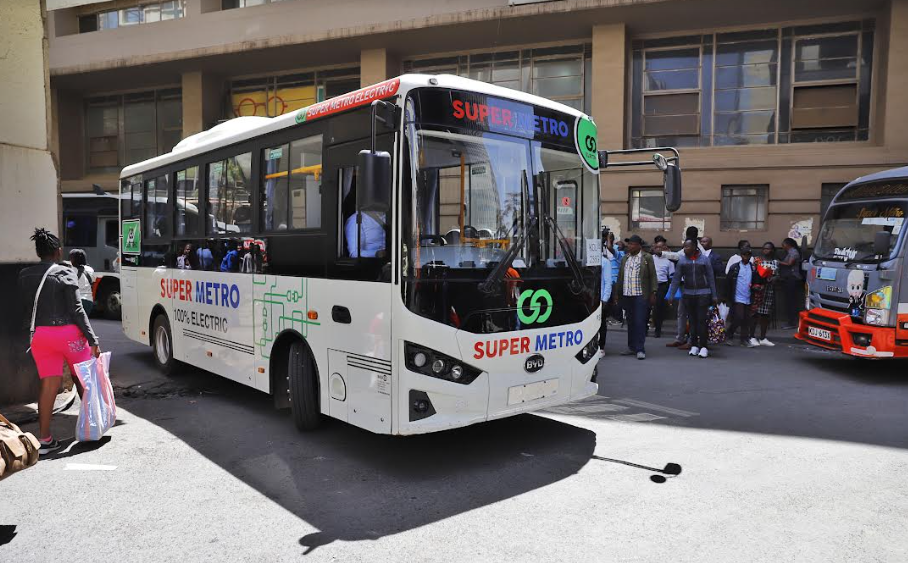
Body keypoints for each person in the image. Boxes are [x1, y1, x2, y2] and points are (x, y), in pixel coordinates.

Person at [18, 228, 101, 455]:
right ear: (58, 252)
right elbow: (76, 310)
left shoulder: (24, 275)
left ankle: (44, 439)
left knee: (49, 384)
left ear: (38, 252)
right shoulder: (66, 272)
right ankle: (91, 429)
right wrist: (92, 339)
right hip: (68, 334)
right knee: (84, 378)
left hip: (40, 337)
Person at [668, 239, 718, 358]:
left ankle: (704, 346)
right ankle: (694, 345)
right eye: (684, 247)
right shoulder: (682, 261)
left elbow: (711, 278)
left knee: (701, 320)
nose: (684, 249)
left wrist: (714, 295)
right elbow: (676, 278)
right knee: (692, 321)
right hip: (688, 294)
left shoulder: (704, 260)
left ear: (695, 247)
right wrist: (671, 295)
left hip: (703, 293)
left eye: (687, 247)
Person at [615, 234, 657, 360]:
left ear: (639, 246)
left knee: (639, 322)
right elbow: (620, 276)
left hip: (640, 295)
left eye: (632, 244)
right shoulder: (625, 258)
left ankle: (640, 349)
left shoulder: (646, 258)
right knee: (631, 322)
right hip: (627, 294)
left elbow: (653, 276)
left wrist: (653, 292)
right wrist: (617, 293)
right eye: (628, 244)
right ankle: (631, 347)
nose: (629, 246)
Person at [725, 246, 760, 347]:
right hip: (737, 297)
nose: (746, 257)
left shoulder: (753, 268)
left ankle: (744, 339)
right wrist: (726, 296)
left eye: (748, 255)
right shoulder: (735, 267)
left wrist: (755, 287)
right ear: (741, 255)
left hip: (748, 296)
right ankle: (730, 333)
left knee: (746, 319)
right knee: (739, 317)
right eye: (744, 255)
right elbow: (728, 282)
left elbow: (756, 280)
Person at [750, 242, 779, 346]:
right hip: (758, 290)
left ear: (772, 250)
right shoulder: (756, 260)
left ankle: (763, 337)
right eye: (765, 248)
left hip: (769, 290)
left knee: (765, 315)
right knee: (754, 313)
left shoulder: (775, 262)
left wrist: (774, 278)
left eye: (769, 248)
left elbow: (777, 275)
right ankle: (752, 336)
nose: (767, 250)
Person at [650, 240, 675, 338]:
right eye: (657, 247)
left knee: (658, 308)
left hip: (662, 286)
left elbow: (671, 275)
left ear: (665, 249)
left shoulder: (669, 260)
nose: (658, 249)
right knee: (647, 307)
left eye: (661, 247)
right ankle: (645, 329)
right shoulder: (650, 258)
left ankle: (658, 329)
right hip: (651, 285)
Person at [778, 237, 803, 329]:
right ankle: (791, 321)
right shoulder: (790, 252)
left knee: (791, 301)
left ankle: (792, 322)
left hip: (792, 279)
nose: (782, 247)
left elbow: (789, 263)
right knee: (789, 301)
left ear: (788, 244)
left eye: (783, 245)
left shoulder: (794, 252)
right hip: (789, 279)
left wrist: (778, 262)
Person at [68, 248, 95, 316]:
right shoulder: (90, 270)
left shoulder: (70, 270)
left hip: (76, 301)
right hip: (89, 302)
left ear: (73, 259)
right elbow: (93, 284)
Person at [600, 238, 613, 356]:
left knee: (601, 323)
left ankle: (601, 346)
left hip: (600, 298)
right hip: (587, 297)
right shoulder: (585, 260)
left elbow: (608, 282)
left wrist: (605, 299)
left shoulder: (605, 262)